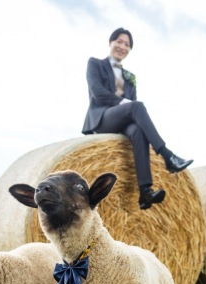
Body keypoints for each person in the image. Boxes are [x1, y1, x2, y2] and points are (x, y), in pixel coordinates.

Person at [82, 27, 193, 210]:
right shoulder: (95, 63)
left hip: (122, 120)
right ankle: (167, 156)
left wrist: (128, 105)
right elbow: (97, 92)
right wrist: (123, 101)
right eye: (119, 41)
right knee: (137, 106)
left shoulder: (130, 76)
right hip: (101, 119)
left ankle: (145, 192)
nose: (122, 46)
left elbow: (132, 111)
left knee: (137, 130)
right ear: (110, 43)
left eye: (127, 44)